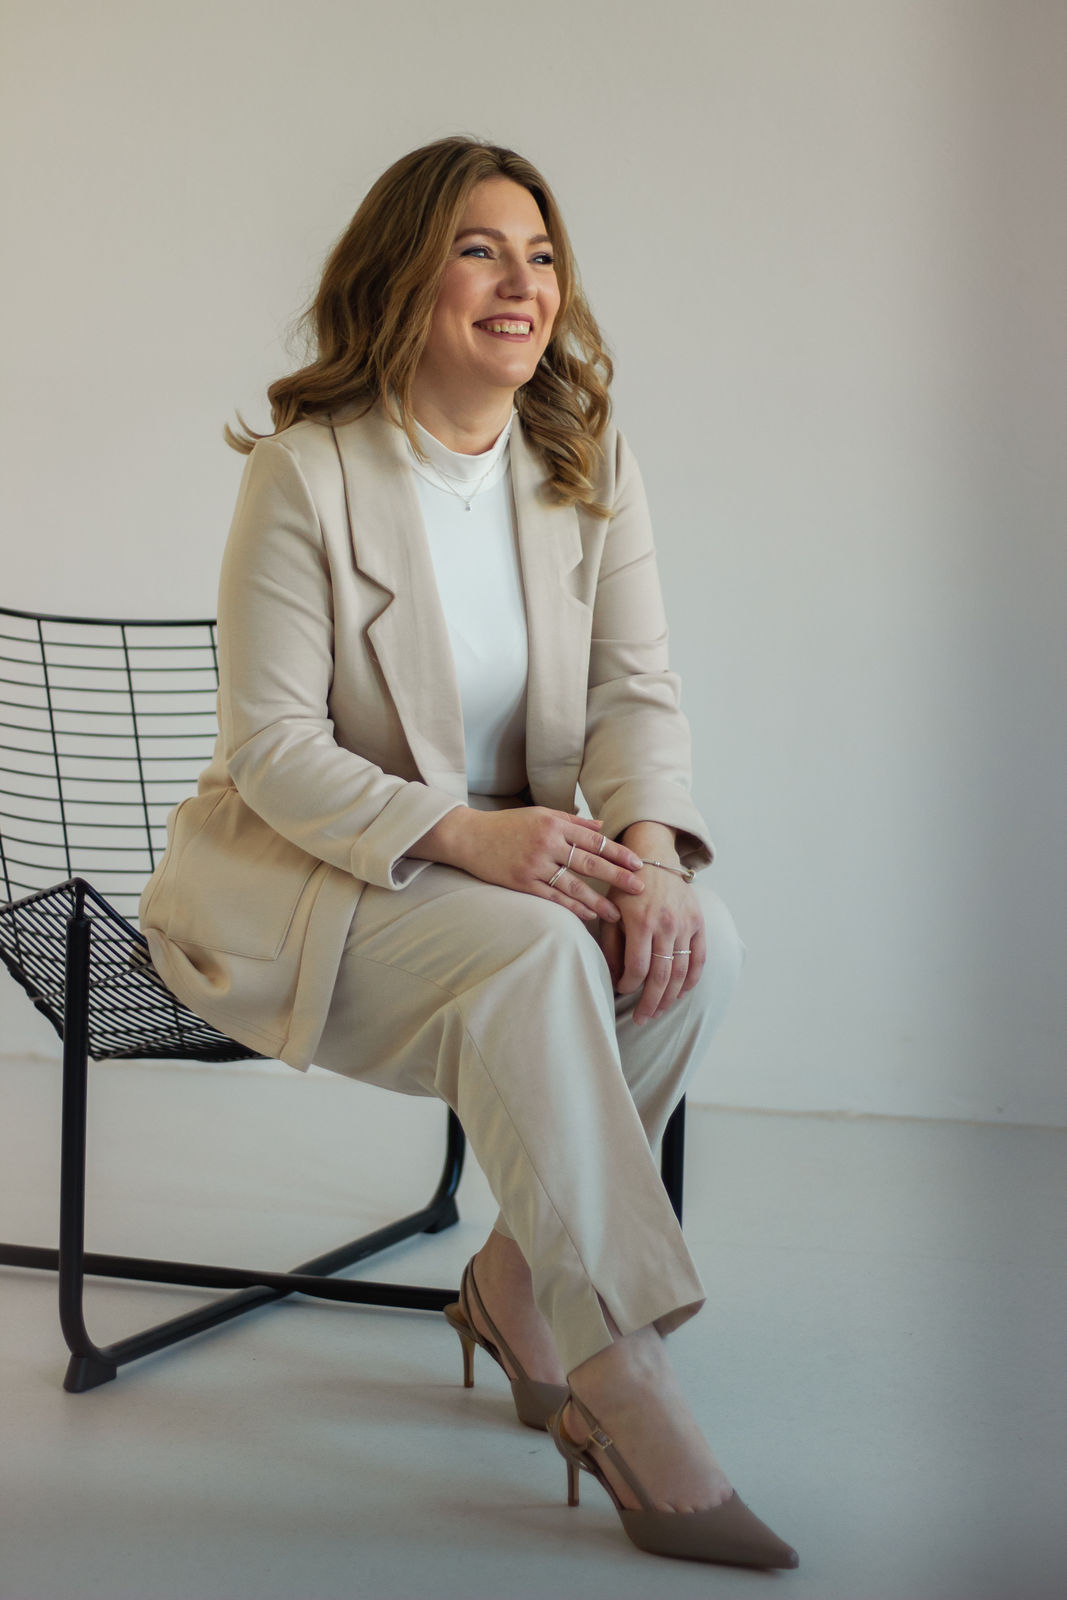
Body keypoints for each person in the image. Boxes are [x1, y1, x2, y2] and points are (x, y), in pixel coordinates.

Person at [139, 136, 798, 1571]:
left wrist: (650, 853)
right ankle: (621, 1375)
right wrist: (466, 834)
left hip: (512, 866)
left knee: (703, 943)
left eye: (542, 254)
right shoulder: (307, 475)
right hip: (316, 881)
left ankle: (512, 1279)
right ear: (403, 277)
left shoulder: (584, 460)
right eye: (480, 250)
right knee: (540, 951)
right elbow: (271, 747)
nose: (522, 283)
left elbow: (635, 689)